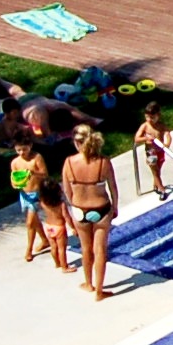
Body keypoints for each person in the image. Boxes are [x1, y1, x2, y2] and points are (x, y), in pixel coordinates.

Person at [62, 126, 119, 299]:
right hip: (101, 208)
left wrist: (75, 206)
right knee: (100, 249)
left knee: (86, 248)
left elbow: (67, 192)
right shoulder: (103, 162)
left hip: (80, 210)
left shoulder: (69, 163)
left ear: (76, 142)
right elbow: (113, 188)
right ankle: (100, 292)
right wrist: (115, 207)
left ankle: (88, 283)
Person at [15, 149, 70, 269]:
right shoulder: (15, 162)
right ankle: (45, 241)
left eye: (24, 149)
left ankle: (28, 250)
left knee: (30, 223)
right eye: (18, 149)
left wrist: (33, 173)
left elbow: (44, 174)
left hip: (37, 194)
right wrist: (16, 183)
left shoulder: (37, 158)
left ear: (30, 146)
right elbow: (14, 179)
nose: (21, 152)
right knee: (34, 221)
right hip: (25, 195)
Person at [134, 104, 172, 197]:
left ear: (158, 116)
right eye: (147, 117)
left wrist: (167, 144)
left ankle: (156, 185)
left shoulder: (161, 126)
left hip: (160, 151)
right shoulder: (145, 126)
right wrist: (145, 138)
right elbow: (136, 138)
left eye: (152, 117)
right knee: (155, 171)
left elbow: (168, 135)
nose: (149, 119)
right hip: (151, 152)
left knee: (158, 171)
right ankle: (162, 190)